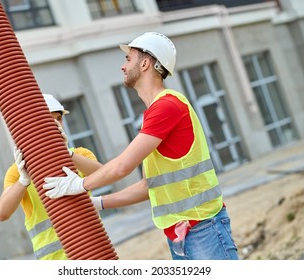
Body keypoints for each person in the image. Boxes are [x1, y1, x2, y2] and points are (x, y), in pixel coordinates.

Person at [42, 32, 240, 260]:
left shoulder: (167, 106)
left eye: (128, 59)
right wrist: (97, 203)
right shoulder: (156, 112)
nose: (123, 67)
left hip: (204, 228)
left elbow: (121, 167)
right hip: (183, 233)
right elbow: (149, 185)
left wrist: (78, 184)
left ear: (145, 63)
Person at [0, 93, 101, 260]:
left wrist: (67, 155)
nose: (56, 124)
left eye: (58, 118)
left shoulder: (80, 154)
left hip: (92, 250)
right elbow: (2, 213)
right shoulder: (17, 171)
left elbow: (105, 174)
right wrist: (24, 181)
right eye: (48, 119)